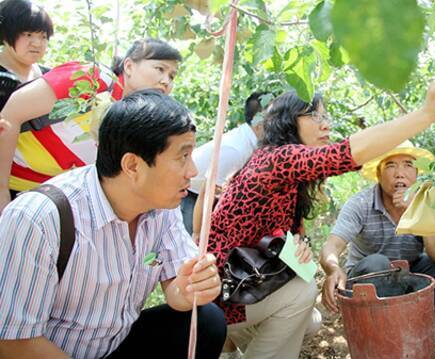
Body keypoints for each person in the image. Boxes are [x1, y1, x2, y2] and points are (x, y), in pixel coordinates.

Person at [206, 76, 435, 359]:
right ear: (289, 120)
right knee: (302, 292)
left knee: (309, 318)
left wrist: (297, 247)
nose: (326, 124)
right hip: (225, 292)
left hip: (240, 285)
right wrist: (426, 114)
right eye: (315, 116)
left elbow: (277, 235)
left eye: (326, 116)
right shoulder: (278, 160)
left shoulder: (284, 173)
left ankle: (236, 350)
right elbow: (344, 154)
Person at [0, 90, 226, 359]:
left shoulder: (161, 209)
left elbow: (177, 292)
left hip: (113, 344)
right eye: (182, 156)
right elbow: (14, 342)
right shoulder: (38, 219)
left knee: (206, 321)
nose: (193, 171)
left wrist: (190, 289)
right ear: (132, 165)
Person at [0, 38, 182, 213]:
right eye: (160, 69)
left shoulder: (133, 120)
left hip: (36, 203)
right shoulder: (94, 79)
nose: (166, 81)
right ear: (128, 66)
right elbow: (11, 112)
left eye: (172, 76)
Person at [320, 140, 435, 317]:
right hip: (369, 279)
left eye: (408, 165)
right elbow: (332, 245)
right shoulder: (361, 204)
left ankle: (420, 316)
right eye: (391, 166)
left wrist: (417, 213)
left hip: (407, 274)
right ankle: (379, 320)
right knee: (377, 263)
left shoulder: (425, 203)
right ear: (379, 175)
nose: (400, 174)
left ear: (417, 174)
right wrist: (333, 269)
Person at [184, 91, 267, 236]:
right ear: (258, 122)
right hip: (190, 197)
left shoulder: (250, 142)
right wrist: (197, 235)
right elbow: (206, 192)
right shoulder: (237, 149)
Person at [0, 0, 53, 112]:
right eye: (28, 34)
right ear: (5, 34)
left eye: (43, 36)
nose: (37, 44)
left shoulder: (50, 76)